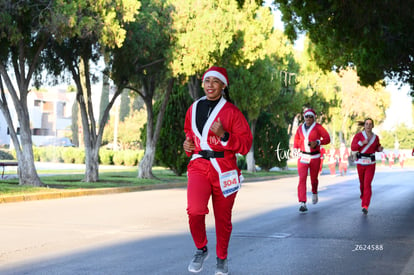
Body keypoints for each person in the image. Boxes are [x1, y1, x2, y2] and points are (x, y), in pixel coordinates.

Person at [183, 66, 253, 275]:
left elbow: (245, 144)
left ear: (223, 86)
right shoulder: (194, 108)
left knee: (223, 218)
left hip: (225, 169)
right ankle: (201, 247)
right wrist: (188, 144)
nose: (210, 85)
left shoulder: (232, 112)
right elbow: (190, 132)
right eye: (207, 81)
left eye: (215, 81)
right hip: (199, 165)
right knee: (195, 210)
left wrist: (224, 135)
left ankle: (221, 258)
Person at [293, 108, 331, 212]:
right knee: (302, 178)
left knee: (314, 179)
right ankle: (303, 202)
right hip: (303, 157)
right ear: (304, 117)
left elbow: (327, 139)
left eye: (311, 117)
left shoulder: (318, 127)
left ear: (314, 118)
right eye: (306, 116)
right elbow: (296, 139)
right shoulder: (300, 128)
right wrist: (295, 149)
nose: (308, 118)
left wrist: (318, 142)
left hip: (315, 157)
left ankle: (314, 192)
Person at [351, 118, 383, 215]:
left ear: (373, 126)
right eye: (366, 124)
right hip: (360, 162)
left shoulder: (375, 137)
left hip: (371, 163)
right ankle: (363, 195)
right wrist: (362, 143)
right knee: (362, 184)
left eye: (370, 124)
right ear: (364, 125)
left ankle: (365, 205)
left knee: (367, 184)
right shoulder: (358, 136)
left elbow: (377, 147)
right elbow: (353, 147)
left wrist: (379, 148)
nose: (368, 126)